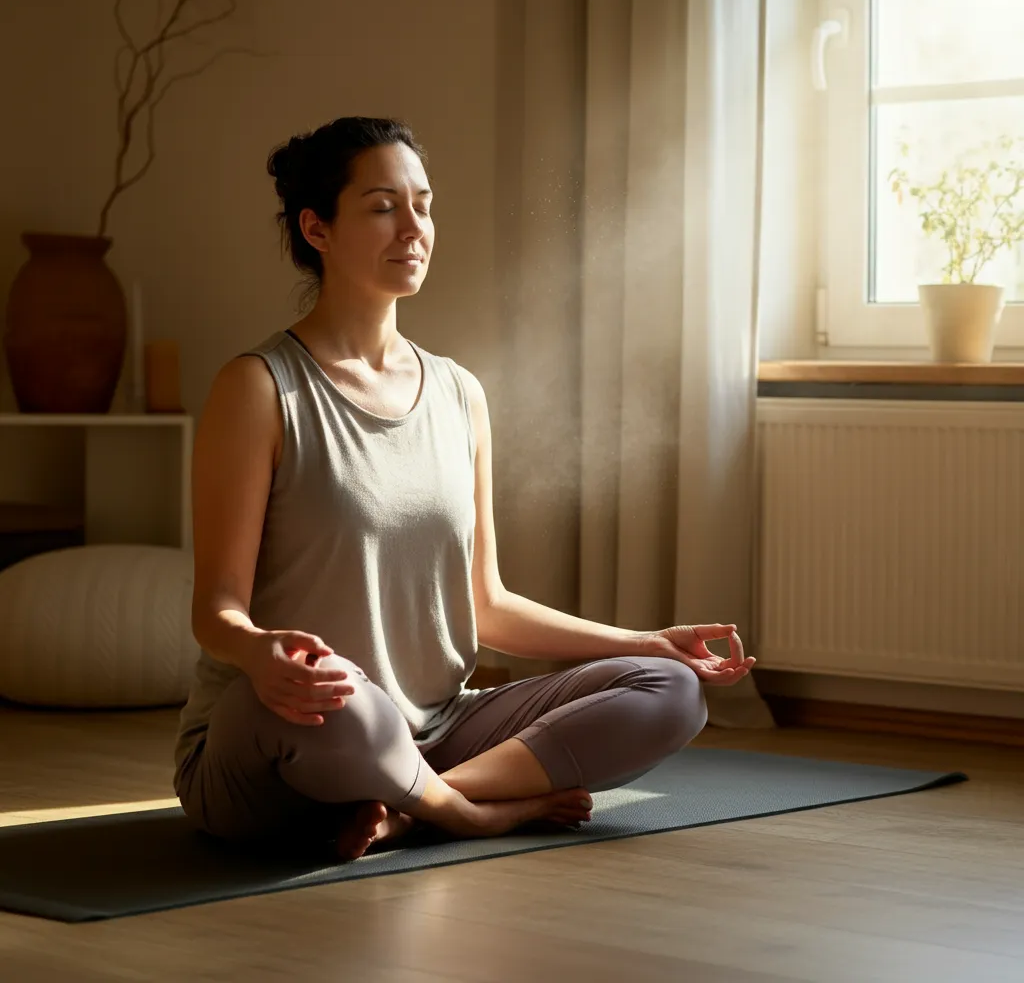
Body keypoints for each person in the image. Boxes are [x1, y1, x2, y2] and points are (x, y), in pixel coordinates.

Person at [174, 116, 756, 861]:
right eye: (383, 206)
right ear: (317, 230)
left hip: (440, 729)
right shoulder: (259, 389)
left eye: (424, 204)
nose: (413, 227)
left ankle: (411, 809)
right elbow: (215, 609)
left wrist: (647, 641)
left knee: (668, 690)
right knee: (342, 699)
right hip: (293, 733)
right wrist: (260, 654)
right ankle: (468, 810)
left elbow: (484, 606)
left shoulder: (458, 393)